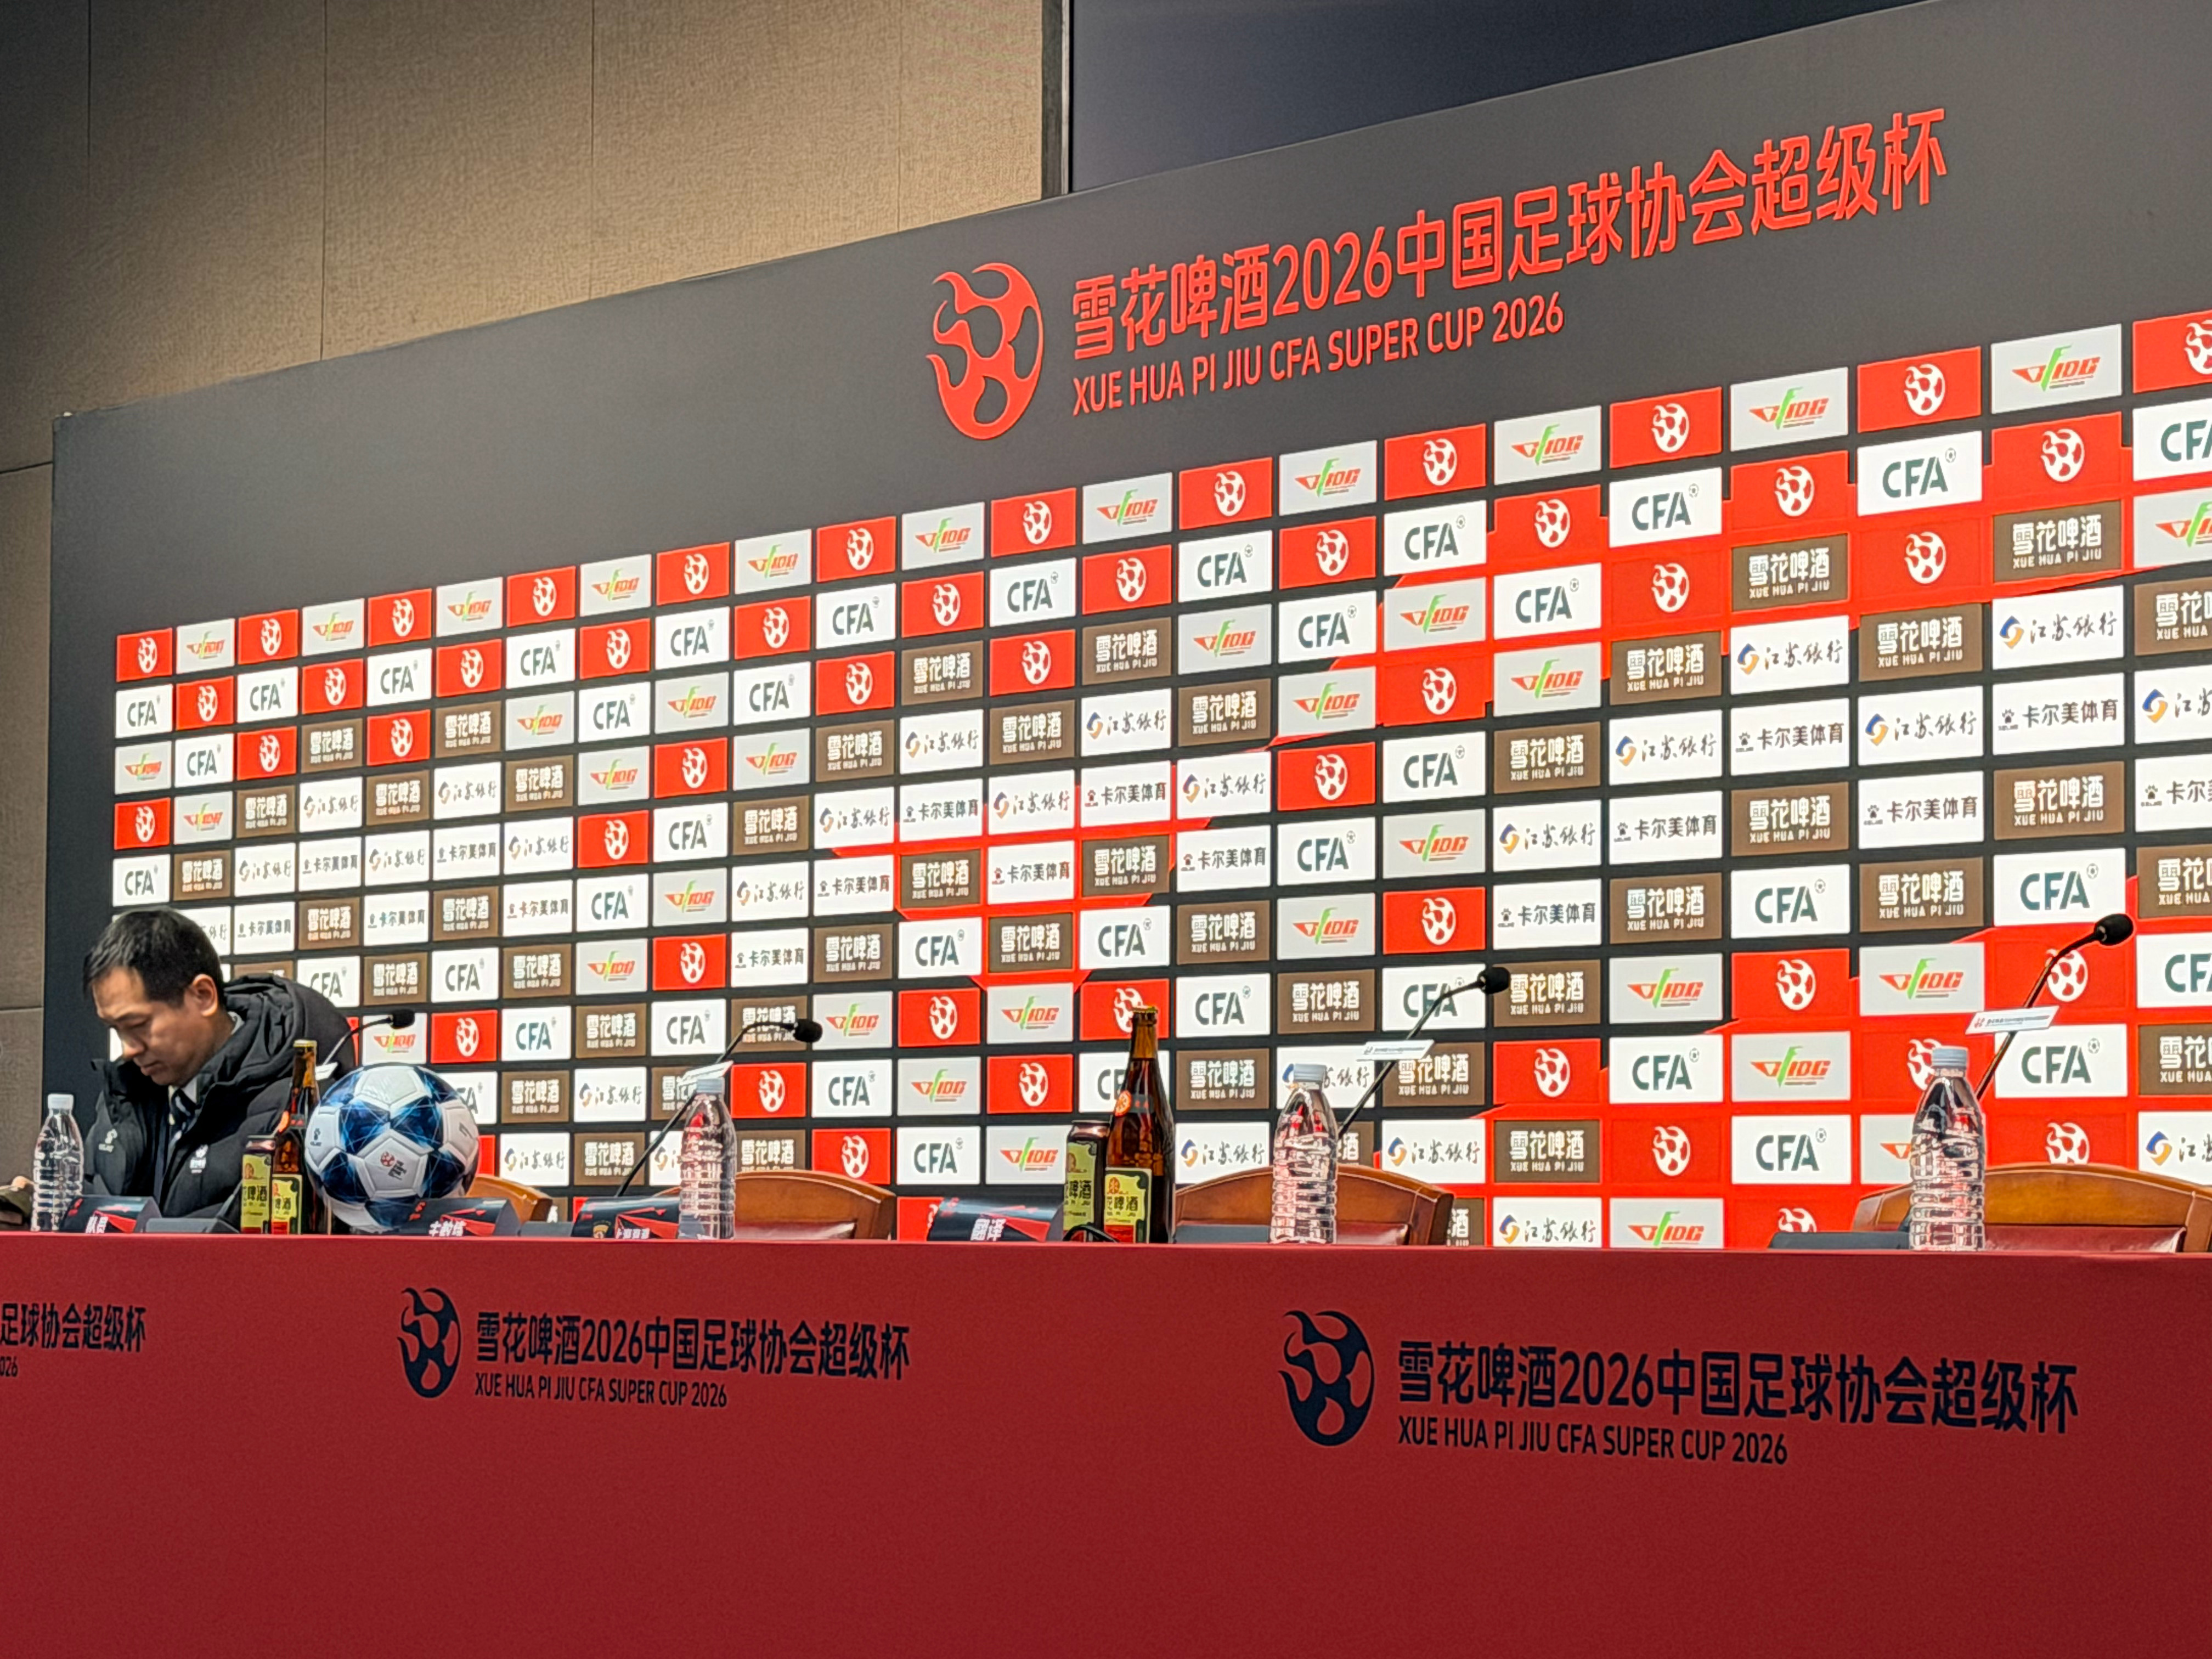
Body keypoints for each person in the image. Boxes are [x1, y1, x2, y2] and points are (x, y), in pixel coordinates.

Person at [68, 908, 357, 1224]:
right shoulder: (124, 1094)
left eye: (138, 1025)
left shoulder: (299, 1106)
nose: (129, 1049)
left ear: (203, 996)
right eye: (116, 1029)